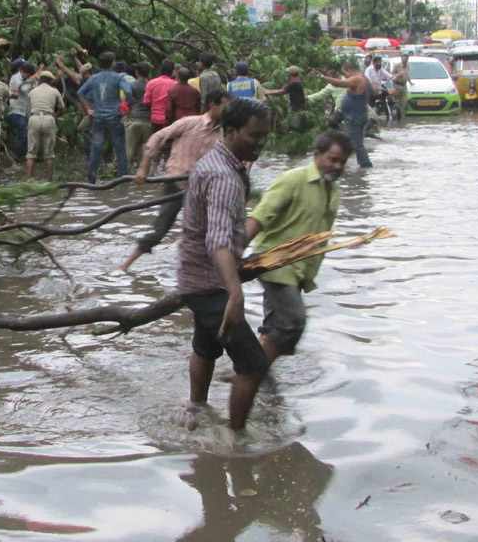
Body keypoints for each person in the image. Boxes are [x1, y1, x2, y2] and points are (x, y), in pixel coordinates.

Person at [176, 96, 272, 432]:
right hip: (210, 283)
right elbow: (217, 239)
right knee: (253, 364)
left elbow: (222, 231)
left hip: (197, 275)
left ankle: (196, 414)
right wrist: (234, 292)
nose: (260, 143)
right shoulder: (224, 177)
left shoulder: (220, 161)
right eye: (254, 136)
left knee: (206, 345)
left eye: (265, 136)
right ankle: (235, 440)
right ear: (230, 131)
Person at [242, 129, 351, 387]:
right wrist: (234, 254)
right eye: (332, 159)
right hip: (275, 264)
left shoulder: (332, 191)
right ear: (317, 155)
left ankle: (255, 372)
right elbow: (259, 217)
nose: (337, 166)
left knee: (274, 326)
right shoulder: (293, 179)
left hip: (300, 270)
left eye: (342, 162)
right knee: (293, 323)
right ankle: (250, 373)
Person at [120, 88, 229, 272]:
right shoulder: (190, 123)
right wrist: (143, 167)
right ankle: (125, 265)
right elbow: (158, 137)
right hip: (175, 184)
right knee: (160, 230)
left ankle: (205, 268)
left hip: (201, 189)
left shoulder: (224, 134)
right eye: (226, 106)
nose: (229, 110)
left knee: (210, 229)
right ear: (213, 105)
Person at [78, 51, 134, 183]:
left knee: (96, 146)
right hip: (114, 116)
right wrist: (126, 106)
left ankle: (91, 178)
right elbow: (129, 92)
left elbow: (80, 93)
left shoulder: (94, 78)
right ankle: (123, 178)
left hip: (98, 116)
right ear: (113, 63)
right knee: (119, 147)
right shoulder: (118, 77)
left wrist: (88, 110)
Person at [312, 60, 372, 169]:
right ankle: (344, 164)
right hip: (354, 115)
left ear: (349, 71)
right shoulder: (363, 78)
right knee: (349, 142)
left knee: (356, 145)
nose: (344, 76)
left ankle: (365, 167)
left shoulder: (357, 79)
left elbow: (340, 83)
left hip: (355, 117)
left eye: (344, 73)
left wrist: (322, 77)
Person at [26, 71, 65, 181]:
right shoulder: (55, 91)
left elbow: (28, 109)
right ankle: (49, 181)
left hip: (34, 118)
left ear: (40, 80)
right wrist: (55, 116)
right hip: (49, 118)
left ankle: (28, 181)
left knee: (31, 153)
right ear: (51, 81)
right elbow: (62, 109)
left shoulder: (32, 92)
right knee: (49, 154)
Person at [125, 63, 153, 167]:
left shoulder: (131, 85)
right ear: (148, 73)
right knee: (146, 150)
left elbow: (128, 101)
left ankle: (124, 174)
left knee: (129, 150)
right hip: (147, 120)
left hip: (133, 119)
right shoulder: (151, 85)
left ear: (137, 73)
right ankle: (145, 174)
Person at [6, 59, 32, 164]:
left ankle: (20, 154)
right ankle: (19, 157)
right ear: (21, 71)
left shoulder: (25, 80)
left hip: (22, 112)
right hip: (15, 111)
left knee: (24, 135)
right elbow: (23, 89)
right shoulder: (15, 78)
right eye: (27, 74)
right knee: (23, 135)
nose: (27, 77)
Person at [142, 58, 178, 132]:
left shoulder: (151, 83)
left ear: (161, 69)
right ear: (172, 71)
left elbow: (146, 102)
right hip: (169, 120)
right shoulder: (175, 85)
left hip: (155, 119)